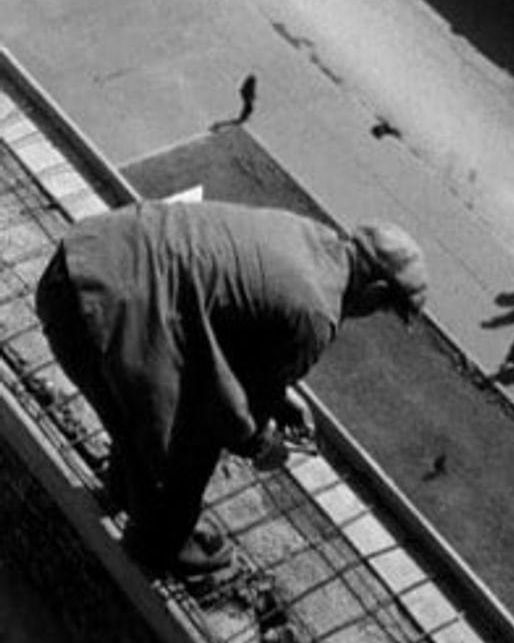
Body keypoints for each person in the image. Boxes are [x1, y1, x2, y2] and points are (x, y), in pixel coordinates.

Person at [34, 202, 428, 577]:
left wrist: (278, 395)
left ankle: (123, 488)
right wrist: (261, 445)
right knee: (190, 437)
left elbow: (229, 325)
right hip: (90, 312)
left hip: (87, 252)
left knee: (156, 381)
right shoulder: (316, 315)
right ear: (375, 292)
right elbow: (224, 412)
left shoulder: (305, 232)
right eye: (383, 308)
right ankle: (159, 546)